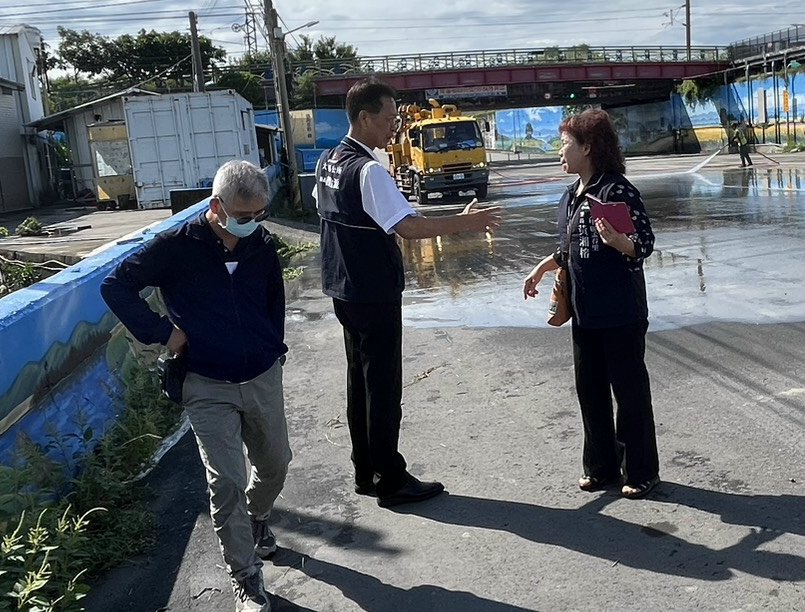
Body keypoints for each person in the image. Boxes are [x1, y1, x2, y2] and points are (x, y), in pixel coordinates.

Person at [101, 160, 291, 612]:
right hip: (206, 381)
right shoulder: (175, 249)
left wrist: (273, 347)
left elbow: (272, 299)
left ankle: (258, 517)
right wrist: (164, 332)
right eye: (243, 216)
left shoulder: (261, 245)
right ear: (216, 207)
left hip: (261, 374)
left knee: (276, 464)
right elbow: (116, 286)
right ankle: (245, 575)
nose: (253, 224)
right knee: (226, 480)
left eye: (260, 214)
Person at [314, 77, 501, 508]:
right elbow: (410, 228)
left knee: (358, 383)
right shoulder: (369, 170)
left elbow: (331, 209)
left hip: (342, 287)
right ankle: (391, 480)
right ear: (364, 118)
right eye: (388, 119)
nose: (393, 128)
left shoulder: (329, 161)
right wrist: (467, 222)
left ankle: (366, 471)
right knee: (381, 387)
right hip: (373, 291)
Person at [522, 109, 660, 499]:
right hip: (585, 313)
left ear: (588, 147)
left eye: (565, 144)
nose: (559, 152)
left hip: (621, 313)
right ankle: (601, 466)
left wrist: (620, 242)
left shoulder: (616, 191)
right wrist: (540, 269)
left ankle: (643, 470)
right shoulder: (570, 196)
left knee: (630, 394)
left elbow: (644, 244)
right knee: (591, 391)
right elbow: (568, 250)